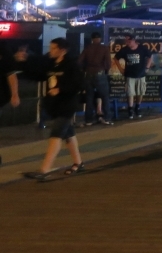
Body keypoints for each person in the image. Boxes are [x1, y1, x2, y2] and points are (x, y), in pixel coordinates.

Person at [18, 38, 85, 179]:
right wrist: (23, 63)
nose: (51, 50)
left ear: (62, 50)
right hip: (55, 105)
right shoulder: (52, 64)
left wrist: (60, 89)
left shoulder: (72, 65)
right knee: (69, 134)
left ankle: (44, 170)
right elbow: (39, 75)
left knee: (56, 134)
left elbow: (78, 84)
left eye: (54, 48)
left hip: (67, 105)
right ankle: (78, 163)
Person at [114, 34, 152, 119]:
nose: (127, 43)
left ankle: (137, 107)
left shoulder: (142, 48)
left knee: (140, 92)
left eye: (129, 41)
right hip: (129, 74)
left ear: (134, 40)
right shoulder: (125, 50)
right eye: (126, 41)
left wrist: (147, 67)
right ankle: (130, 109)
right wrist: (120, 69)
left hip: (141, 74)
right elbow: (116, 58)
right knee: (130, 93)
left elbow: (150, 56)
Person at [79, 31, 113, 125]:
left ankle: (88, 120)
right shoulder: (104, 48)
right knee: (105, 96)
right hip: (100, 73)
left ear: (92, 39)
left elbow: (79, 61)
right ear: (100, 39)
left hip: (89, 73)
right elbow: (108, 63)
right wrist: (105, 71)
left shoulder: (87, 48)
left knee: (89, 97)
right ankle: (107, 118)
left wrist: (84, 69)